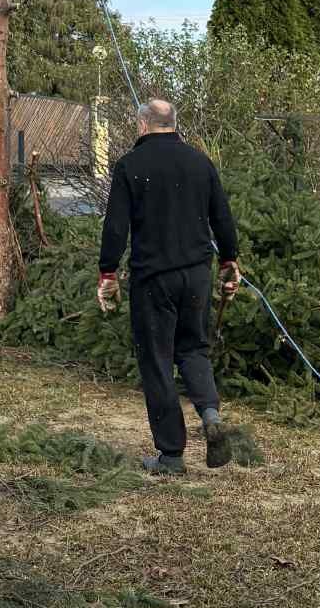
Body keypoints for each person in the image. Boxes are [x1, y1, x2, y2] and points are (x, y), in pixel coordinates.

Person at [97, 98, 240, 475]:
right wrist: (229, 260)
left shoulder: (130, 165)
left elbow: (116, 226)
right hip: (196, 275)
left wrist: (107, 272)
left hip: (153, 280)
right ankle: (210, 414)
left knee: (157, 360)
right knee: (193, 349)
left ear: (142, 125)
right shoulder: (200, 162)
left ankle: (172, 455)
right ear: (174, 124)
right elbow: (222, 218)